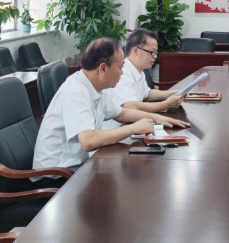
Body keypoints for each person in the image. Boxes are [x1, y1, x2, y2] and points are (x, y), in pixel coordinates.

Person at [33, 37, 191, 172]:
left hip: (77, 166)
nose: (122, 72)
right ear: (103, 69)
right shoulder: (76, 91)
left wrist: (157, 119)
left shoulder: (96, 87)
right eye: (120, 67)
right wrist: (133, 128)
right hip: (56, 175)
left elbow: (121, 113)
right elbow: (88, 141)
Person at [110, 28, 185, 113]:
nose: (155, 56)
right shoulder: (123, 73)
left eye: (156, 53)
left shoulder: (138, 70)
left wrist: (173, 93)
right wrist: (165, 105)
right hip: (122, 121)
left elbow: (147, 94)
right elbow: (130, 106)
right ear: (136, 51)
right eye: (151, 52)